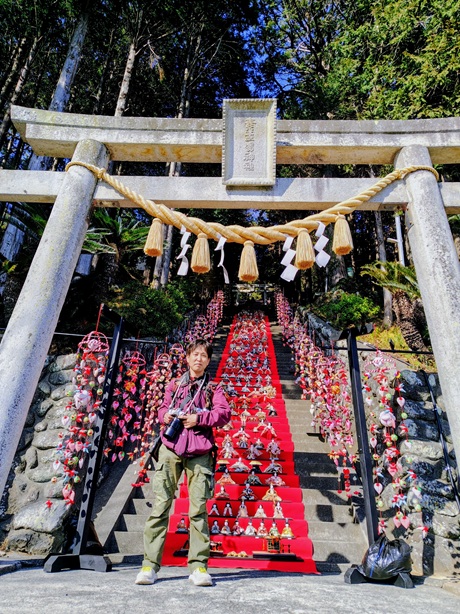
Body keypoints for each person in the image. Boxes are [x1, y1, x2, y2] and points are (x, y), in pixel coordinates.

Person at [135, 339, 231, 587]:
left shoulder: (214, 388)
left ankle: (198, 566)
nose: (198, 359)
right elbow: (161, 409)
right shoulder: (174, 385)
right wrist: (164, 415)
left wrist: (199, 419)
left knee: (198, 509)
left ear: (208, 361)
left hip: (200, 451)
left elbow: (224, 414)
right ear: (187, 358)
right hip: (171, 448)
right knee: (161, 504)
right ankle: (149, 564)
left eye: (203, 355)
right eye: (194, 354)